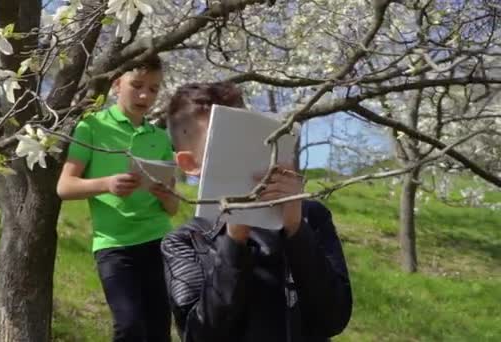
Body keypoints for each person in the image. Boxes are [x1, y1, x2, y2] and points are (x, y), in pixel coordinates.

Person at [162, 82, 352, 342]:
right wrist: (234, 241)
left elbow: (335, 318)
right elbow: (199, 334)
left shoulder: (310, 216)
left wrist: (297, 228)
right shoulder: (186, 241)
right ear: (190, 163)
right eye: (225, 145)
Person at [57, 54, 177, 342]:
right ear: (116, 85)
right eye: (136, 85)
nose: (145, 95)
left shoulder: (160, 138)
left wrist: (164, 193)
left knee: (159, 330)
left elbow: (173, 208)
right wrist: (106, 184)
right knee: (129, 326)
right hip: (114, 246)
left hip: (157, 241)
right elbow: (64, 186)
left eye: (153, 88)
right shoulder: (91, 127)